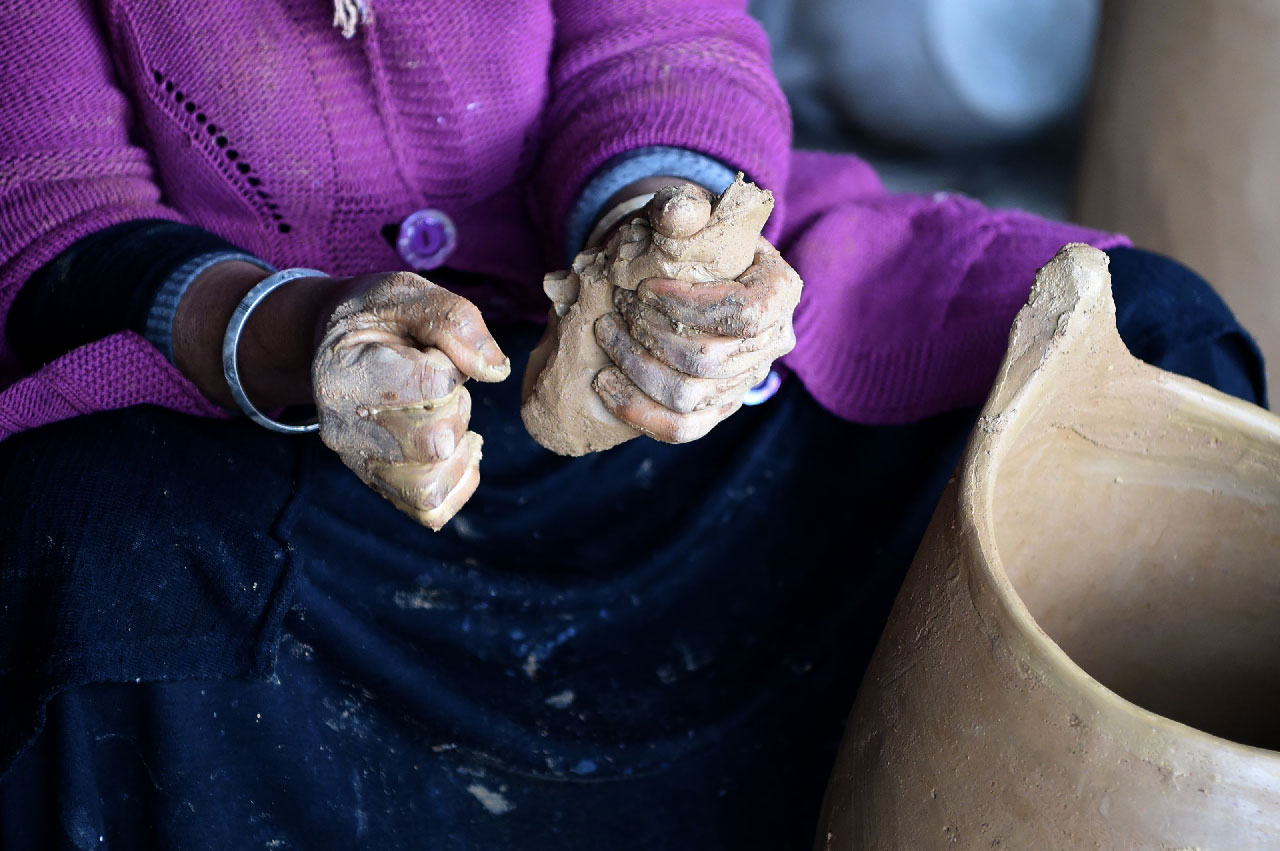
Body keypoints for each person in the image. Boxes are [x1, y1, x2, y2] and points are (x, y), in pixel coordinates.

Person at [0, 2, 1266, 848]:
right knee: (90, 566)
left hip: (645, 402)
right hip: (293, 442)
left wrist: (664, 245)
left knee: (1138, 359)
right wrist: (308, 332)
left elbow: (660, 42)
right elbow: (51, 213)